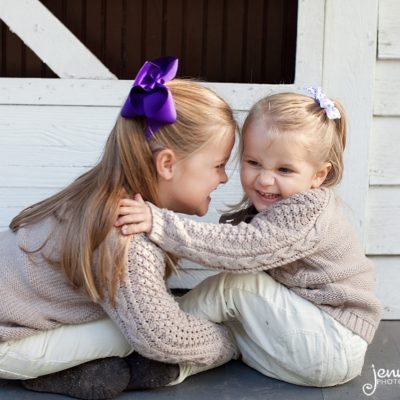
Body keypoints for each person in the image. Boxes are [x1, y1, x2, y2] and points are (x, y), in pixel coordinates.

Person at [0, 57, 239, 399]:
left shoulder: (103, 193)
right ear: (167, 164)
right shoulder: (125, 231)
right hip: (6, 342)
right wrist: (230, 344)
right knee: (133, 330)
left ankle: (75, 369)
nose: (224, 177)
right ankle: (47, 372)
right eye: (218, 165)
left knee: (135, 318)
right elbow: (163, 337)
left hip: (15, 317)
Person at [116, 88, 383, 387]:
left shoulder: (307, 211)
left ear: (319, 175)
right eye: (253, 163)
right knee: (231, 330)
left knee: (235, 285)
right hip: (312, 346)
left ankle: (155, 330)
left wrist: (158, 222)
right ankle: (167, 370)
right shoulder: (288, 204)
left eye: (284, 169)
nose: (264, 179)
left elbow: (241, 248)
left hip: (330, 340)